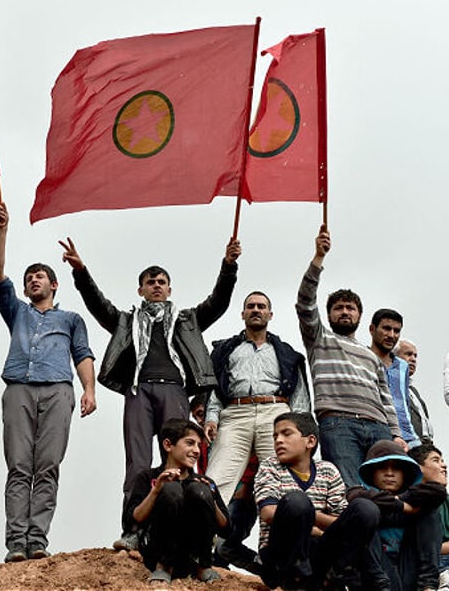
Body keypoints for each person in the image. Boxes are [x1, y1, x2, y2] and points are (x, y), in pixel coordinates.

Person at [60, 235, 241, 551]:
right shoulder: (126, 321)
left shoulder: (187, 320)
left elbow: (219, 301)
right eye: (150, 282)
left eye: (161, 282)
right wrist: (80, 272)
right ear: (140, 289)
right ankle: (133, 529)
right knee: (138, 463)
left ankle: (188, 533)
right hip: (138, 391)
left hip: (175, 391)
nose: (156, 286)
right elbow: (97, 303)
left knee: (181, 458)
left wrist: (229, 265)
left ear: (170, 289)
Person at [0, 201, 96, 563]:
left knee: (47, 466)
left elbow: (82, 354)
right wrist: (2, 230)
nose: (33, 280)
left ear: (53, 284)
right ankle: (15, 542)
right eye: (28, 277)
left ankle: (38, 539)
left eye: (39, 276)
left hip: (58, 390)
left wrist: (89, 390)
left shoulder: (70, 318)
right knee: (19, 466)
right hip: (18, 387)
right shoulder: (17, 311)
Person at [296, 226, 405, 488]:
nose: (345, 312)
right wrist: (318, 258)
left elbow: (386, 397)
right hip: (338, 423)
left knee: (387, 491)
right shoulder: (319, 339)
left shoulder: (371, 356)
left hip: (379, 427)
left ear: (359, 316)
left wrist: (396, 433)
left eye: (350, 308)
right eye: (338, 308)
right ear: (329, 314)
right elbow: (304, 302)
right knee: (350, 491)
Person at [205, 290, 310, 506]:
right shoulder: (226, 350)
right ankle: (204, 537)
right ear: (242, 314)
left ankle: (286, 534)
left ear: (270, 315)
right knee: (217, 477)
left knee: (285, 478)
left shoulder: (286, 352)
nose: (256, 310)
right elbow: (216, 387)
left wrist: (302, 427)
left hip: (276, 413)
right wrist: (211, 417)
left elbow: (299, 393)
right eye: (251, 306)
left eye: (261, 306)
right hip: (235, 413)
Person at [254, 412, 380, 590]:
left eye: (286, 433)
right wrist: (313, 525)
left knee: (366, 509)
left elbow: (343, 521)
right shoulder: (270, 466)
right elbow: (268, 513)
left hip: (319, 555)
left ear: (310, 441)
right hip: (281, 557)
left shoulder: (327, 470)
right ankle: (296, 580)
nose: (278, 440)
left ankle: (339, 574)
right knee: (297, 501)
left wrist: (309, 520)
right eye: (275, 436)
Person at [124, 418, 229, 584]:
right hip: (155, 553)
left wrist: (209, 498)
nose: (196, 451)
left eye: (198, 445)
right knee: (171, 489)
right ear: (168, 445)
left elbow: (226, 529)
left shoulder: (204, 482)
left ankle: (203, 566)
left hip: (190, 556)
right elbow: (131, 520)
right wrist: (157, 490)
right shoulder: (147, 477)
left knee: (198, 491)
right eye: (189, 443)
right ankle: (163, 566)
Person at [348, 439, 445, 591]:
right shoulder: (360, 494)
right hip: (376, 574)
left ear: (405, 473)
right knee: (363, 511)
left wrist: (398, 502)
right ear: (371, 472)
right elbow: (354, 495)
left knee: (430, 510)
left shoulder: (414, 497)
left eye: (396, 469)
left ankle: (428, 586)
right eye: (382, 467)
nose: (389, 473)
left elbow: (437, 492)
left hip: (408, 569)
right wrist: (401, 506)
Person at [368, 309, 420, 448]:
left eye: (396, 331)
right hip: (379, 433)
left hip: (409, 436)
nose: (391, 335)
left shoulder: (403, 366)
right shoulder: (364, 359)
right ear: (372, 329)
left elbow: (405, 403)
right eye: (386, 328)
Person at [407, 443, 449, 587]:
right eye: (436, 460)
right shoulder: (404, 501)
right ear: (418, 468)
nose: (444, 466)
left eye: (443, 461)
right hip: (416, 564)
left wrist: (431, 549)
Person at [394, 340, 433, 444]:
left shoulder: (413, 391)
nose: (413, 359)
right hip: (405, 444)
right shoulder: (390, 384)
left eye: (415, 356)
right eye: (408, 354)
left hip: (425, 445)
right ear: (394, 356)